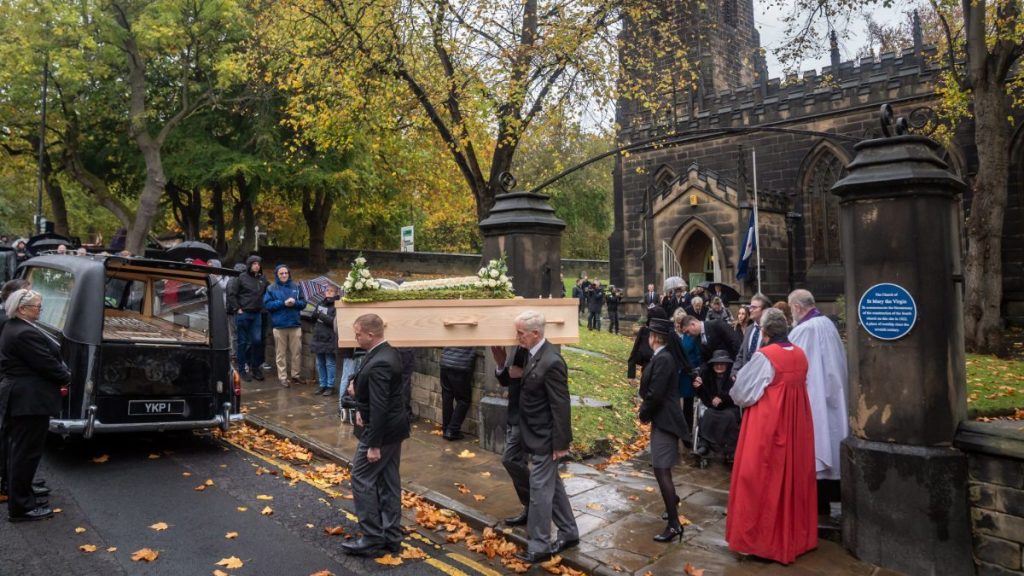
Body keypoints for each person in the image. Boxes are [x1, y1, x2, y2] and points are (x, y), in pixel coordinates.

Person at [726, 308, 817, 564]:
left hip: (767, 426)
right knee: (792, 479)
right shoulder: (800, 354)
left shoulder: (765, 357)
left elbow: (742, 393)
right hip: (796, 426)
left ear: (764, 332)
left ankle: (762, 542)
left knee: (759, 479)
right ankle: (795, 538)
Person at [511, 311, 579, 564]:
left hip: (547, 439)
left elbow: (561, 405)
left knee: (539, 492)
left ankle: (539, 545)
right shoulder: (533, 354)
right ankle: (570, 532)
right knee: (554, 487)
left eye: (520, 333)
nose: (517, 337)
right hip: (535, 434)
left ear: (536, 333)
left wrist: (561, 444)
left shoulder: (552, 361)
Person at [0, 289, 70, 522]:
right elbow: (47, 364)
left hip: (23, 397)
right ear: (22, 309)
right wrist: (66, 375)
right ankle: (21, 507)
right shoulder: (23, 333)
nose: (40, 309)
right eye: (37, 306)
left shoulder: (15, 327)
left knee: (20, 451)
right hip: (29, 400)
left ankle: (20, 496)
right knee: (25, 454)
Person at [343, 313, 409, 556]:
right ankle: (392, 536)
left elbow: (381, 405)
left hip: (382, 432)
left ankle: (372, 538)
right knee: (389, 481)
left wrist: (373, 444)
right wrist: (358, 395)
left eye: (358, 333)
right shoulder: (384, 352)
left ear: (370, 335)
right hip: (394, 430)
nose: (356, 337)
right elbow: (367, 382)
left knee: (361, 477)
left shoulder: (382, 360)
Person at [788, 289, 849, 514]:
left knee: (818, 441)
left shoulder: (804, 330)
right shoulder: (828, 323)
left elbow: (792, 362)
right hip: (832, 391)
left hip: (813, 395)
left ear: (796, 307)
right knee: (831, 438)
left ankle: (817, 500)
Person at [638, 317, 691, 543]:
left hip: (666, 421)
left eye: (649, 335)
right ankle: (672, 506)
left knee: (661, 471)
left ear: (654, 338)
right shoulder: (661, 357)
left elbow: (656, 394)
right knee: (661, 470)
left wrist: (644, 413)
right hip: (663, 420)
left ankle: (674, 523)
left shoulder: (664, 359)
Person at [490, 343, 531, 527]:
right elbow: (508, 380)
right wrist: (501, 365)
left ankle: (536, 502)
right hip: (513, 414)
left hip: (526, 417)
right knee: (517, 462)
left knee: (510, 459)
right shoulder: (517, 346)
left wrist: (523, 374)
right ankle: (531, 508)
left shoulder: (536, 349)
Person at [693, 350, 741, 461]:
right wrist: (698, 387)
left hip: (730, 406)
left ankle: (729, 449)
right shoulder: (707, 376)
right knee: (707, 413)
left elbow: (737, 394)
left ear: (727, 365)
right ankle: (704, 445)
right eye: (717, 364)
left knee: (729, 416)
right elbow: (704, 397)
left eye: (722, 363)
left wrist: (722, 398)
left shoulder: (732, 377)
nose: (719, 366)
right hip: (712, 408)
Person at [227, 255, 268, 382]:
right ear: (249, 265)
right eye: (254, 263)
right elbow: (231, 294)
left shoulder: (262, 279)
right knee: (242, 342)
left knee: (257, 341)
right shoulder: (241, 278)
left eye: (258, 264)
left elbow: (270, 290)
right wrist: (237, 309)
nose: (257, 266)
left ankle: (255, 367)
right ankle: (241, 369)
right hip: (243, 314)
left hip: (257, 315)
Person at [264, 264, 306, 388]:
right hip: (279, 325)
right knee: (280, 354)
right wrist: (282, 303)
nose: (284, 275)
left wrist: (295, 303)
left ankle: (295, 375)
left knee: (296, 352)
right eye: (281, 273)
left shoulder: (296, 287)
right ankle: (282, 377)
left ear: (289, 274)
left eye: (286, 273)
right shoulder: (271, 288)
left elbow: (303, 303)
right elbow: (268, 305)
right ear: (277, 274)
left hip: (294, 324)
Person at [731, 294, 771, 379]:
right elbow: (741, 354)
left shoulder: (771, 329)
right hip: (746, 377)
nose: (750, 310)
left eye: (754, 307)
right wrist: (735, 371)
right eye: (750, 307)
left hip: (763, 378)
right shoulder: (749, 329)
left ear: (765, 310)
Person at [439, 347, 476, 440]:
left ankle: (446, 428)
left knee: (447, 397)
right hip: (460, 364)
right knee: (464, 399)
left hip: (445, 362)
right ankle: (452, 430)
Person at [311, 285, 340, 396]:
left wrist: (321, 315)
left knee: (329, 363)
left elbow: (334, 322)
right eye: (327, 290)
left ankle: (330, 386)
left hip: (329, 337)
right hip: (318, 337)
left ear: (336, 293)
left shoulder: (337, 306)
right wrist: (315, 314)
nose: (328, 292)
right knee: (320, 363)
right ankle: (322, 385)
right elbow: (313, 318)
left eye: (331, 291)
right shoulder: (320, 303)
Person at [628, 306, 668, 384]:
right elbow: (634, 352)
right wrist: (631, 374)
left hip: (663, 375)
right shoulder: (644, 331)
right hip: (646, 372)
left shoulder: (669, 334)